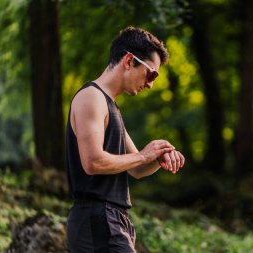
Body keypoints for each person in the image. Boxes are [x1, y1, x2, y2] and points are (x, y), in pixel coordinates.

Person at [66, 26, 185, 252]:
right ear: (129, 61)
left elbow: (136, 169)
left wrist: (158, 157)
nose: (150, 84)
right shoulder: (92, 97)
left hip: (112, 221)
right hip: (97, 220)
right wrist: (142, 155)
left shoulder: (110, 106)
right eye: (151, 73)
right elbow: (93, 162)